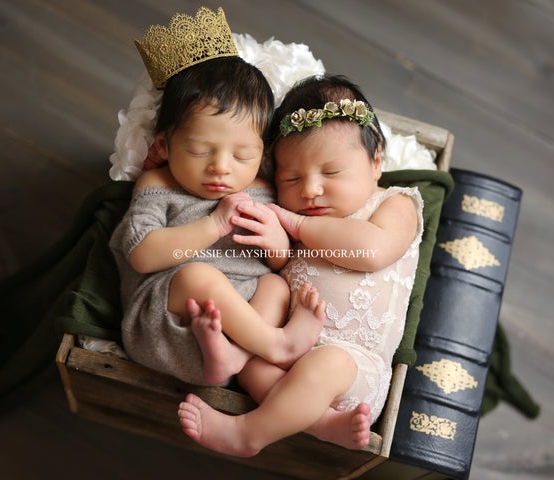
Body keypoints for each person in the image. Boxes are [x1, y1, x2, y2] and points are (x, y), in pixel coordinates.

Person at [178, 75, 425, 456]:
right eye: (292, 178)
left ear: (376, 164)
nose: (309, 190)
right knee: (253, 362)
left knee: (325, 365)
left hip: (354, 370)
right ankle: (322, 425)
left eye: (331, 173)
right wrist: (280, 248)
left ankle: (248, 435)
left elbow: (372, 251)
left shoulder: (395, 204)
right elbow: (282, 274)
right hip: (288, 351)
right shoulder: (293, 220)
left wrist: (298, 225)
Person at [109, 8, 324, 387]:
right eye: (199, 151)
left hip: (235, 328)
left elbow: (278, 266)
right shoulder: (159, 183)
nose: (221, 168)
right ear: (165, 144)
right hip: (170, 317)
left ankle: (230, 359)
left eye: (242, 155)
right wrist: (213, 224)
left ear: (264, 153)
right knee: (198, 276)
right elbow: (142, 256)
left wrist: (277, 246)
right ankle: (276, 345)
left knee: (275, 287)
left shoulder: (263, 188)